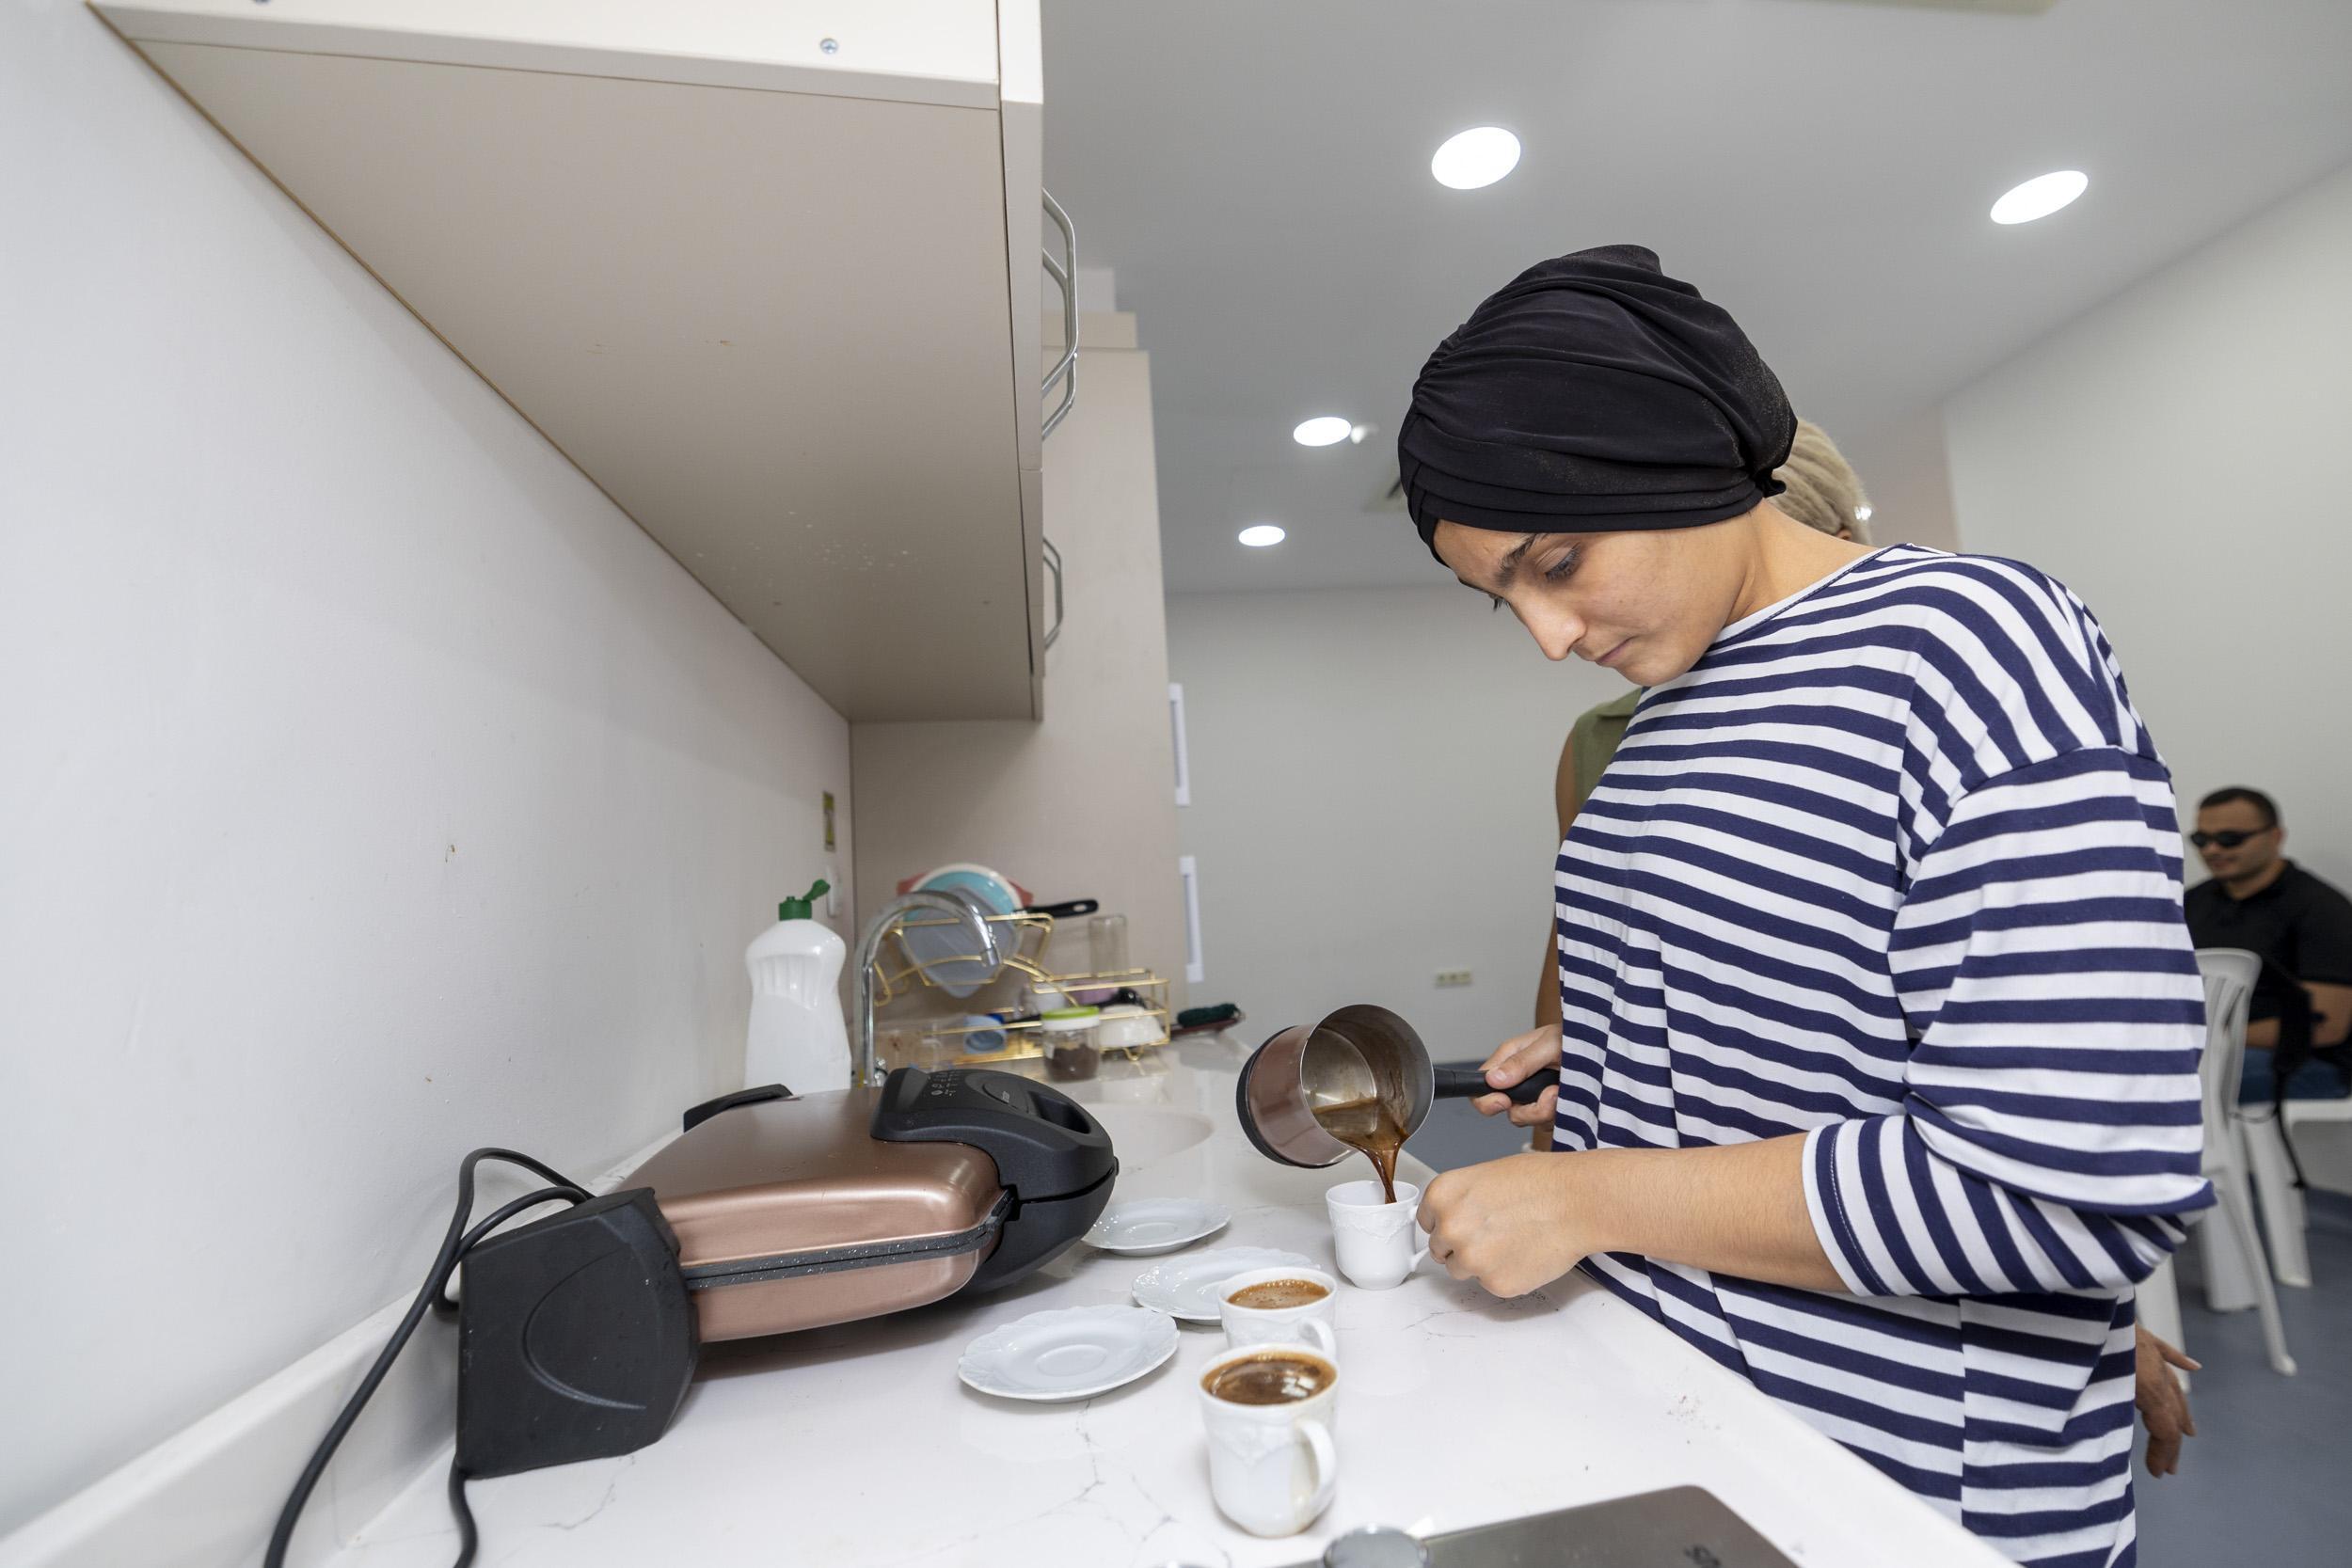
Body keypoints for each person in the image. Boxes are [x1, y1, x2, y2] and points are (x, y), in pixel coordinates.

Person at [1397, 245, 2211, 1568]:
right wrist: (1617, 1059)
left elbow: (2068, 1184)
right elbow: (1815, 1037)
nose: (1547, 636)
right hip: (1675, 1440)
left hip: (1898, 1493)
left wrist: (1592, 1192)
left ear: (1674, 452)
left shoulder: (1967, 642)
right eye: (1503, 600)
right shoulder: (1655, 728)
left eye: (1560, 560)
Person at [2182, 786, 2352, 1100]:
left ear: (2275, 836)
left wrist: (2212, 1037)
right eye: (2201, 840)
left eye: (2230, 839)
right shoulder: (2191, 903)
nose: (2212, 850)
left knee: (2171, 1081)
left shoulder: (2321, 908)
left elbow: (2328, 1026)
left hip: (2308, 1062)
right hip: (2211, 1048)